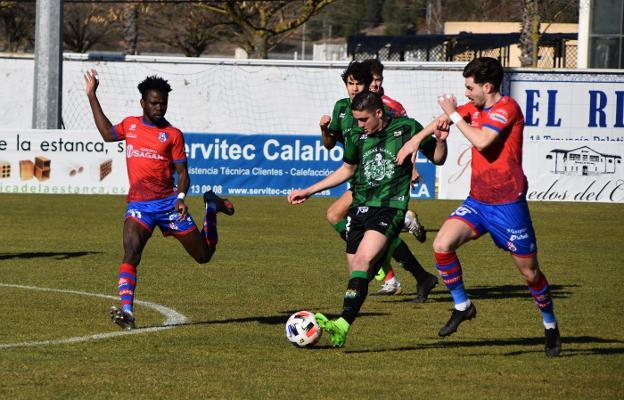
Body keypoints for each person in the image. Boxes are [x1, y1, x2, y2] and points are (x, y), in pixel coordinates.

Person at [396, 57, 562, 357]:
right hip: (478, 201)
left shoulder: (507, 108)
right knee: (442, 244)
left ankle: (550, 325)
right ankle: (463, 306)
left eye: (470, 87)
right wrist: (416, 141)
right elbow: (443, 120)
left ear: (488, 86)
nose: (466, 93)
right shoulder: (476, 107)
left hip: (508, 204)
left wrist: (454, 117)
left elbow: (483, 141)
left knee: (530, 273)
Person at [289, 91, 448, 347]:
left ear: (378, 113)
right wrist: (309, 190)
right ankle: (396, 262)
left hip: (389, 207)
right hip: (360, 207)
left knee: (363, 260)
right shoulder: (356, 135)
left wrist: (440, 141)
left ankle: (341, 325)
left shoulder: (407, 128)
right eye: (356, 120)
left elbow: (438, 158)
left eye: (363, 120)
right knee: (358, 272)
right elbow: (347, 170)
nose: (359, 125)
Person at [84, 70, 234, 330]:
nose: (159, 107)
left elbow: (183, 174)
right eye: (154, 103)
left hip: (169, 206)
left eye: (163, 103)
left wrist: (181, 196)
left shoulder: (173, 135)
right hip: (139, 206)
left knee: (204, 256)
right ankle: (127, 312)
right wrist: (91, 95)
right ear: (143, 102)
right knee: (131, 252)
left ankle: (211, 206)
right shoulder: (130, 125)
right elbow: (108, 134)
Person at [320, 61, 438, 301]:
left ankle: (387, 273)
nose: (355, 88)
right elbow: (330, 143)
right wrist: (324, 130)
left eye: (361, 83)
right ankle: (416, 275)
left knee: (341, 217)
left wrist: (412, 166)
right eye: (350, 83)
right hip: (360, 174)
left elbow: (407, 138)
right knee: (355, 224)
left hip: (380, 179)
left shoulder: (385, 108)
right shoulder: (342, 109)